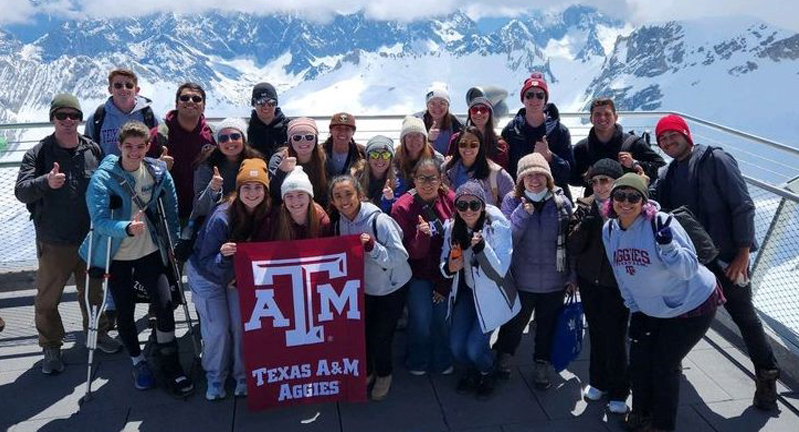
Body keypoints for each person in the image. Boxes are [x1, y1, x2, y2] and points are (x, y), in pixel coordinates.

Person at [650, 114, 780, 411]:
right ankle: (672, 363)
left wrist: (744, 252)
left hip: (727, 259)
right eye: (663, 140)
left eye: (672, 135)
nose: (669, 143)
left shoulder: (716, 160)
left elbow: (742, 205)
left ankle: (767, 374)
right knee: (678, 315)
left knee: (744, 317)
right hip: (693, 262)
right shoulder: (668, 174)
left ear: (686, 134)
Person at [80, 121, 193, 396]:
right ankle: (137, 360)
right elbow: (99, 220)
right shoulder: (103, 178)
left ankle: (169, 360)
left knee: (164, 304)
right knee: (125, 311)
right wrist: (126, 228)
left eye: (140, 146)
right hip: (116, 254)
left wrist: (173, 242)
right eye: (128, 146)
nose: (134, 151)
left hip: (149, 251)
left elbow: (170, 205)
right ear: (119, 146)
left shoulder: (156, 172)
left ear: (147, 147)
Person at [603, 173, 722, 432]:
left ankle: (662, 425)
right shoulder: (610, 230)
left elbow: (689, 269)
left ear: (643, 201)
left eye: (633, 197)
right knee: (639, 361)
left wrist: (668, 248)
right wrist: (634, 309)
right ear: (611, 200)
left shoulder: (662, 223)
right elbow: (620, 273)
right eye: (619, 196)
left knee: (664, 366)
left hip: (692, 304)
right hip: (651, 308)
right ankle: (641, 413)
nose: (625, 202)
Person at [15, 93, 121, 374]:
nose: (68, 121)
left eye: (74, 116)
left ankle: (97, 334)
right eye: (62, 115)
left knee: (93, 293)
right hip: (54, 240)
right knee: (48, 298)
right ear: (53, 119)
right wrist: (45, 182)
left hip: (91, 236)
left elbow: (108, 182)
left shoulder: (92, 149)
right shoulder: (38, 153)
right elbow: (21, 191)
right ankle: (51, 345)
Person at [187, 158, 272, 400]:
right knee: (218, 330)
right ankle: (215, 377)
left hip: (237, 277)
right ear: (238, 189)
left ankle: (242, 375)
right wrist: (224, 260)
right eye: (247, 187)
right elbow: (205, 260)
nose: (252, 193)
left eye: (258, 187)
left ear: (265, 191)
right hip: (208, 276)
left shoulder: (267, 213)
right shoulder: (222, 216)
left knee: (242, 325)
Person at [492, 153, 574, 389]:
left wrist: (572, 276)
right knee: (514, 324)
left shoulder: (562, 203)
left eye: (540, 174)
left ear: (548, 177)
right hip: (521, 279)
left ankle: (541, 363)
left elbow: (571, 244)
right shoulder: (511, 201)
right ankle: (505, 356)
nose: (535, 179)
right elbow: (508, 239)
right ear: (521, 179)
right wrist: (523, 213)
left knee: (547, 326)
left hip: (554, 281)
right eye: (529, 175)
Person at [328, 175, 412, 400]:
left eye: (348, 194)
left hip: (391, 287)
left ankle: (384, 374)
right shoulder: (339, 224)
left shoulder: (379, 221)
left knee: (380, 336)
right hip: (364, 287)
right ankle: (368, 371)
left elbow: (400, 256)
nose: (344, 200)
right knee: (361, 332)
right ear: (333, 202)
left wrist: (373, 248)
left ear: (359, 195)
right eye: (338, 196)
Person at [440, 181, 520, 399]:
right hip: (467, 292)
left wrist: (482, 248)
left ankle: (487, 371)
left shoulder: (497, 227)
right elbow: (444, 262)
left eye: (474, 205)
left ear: (482, 206)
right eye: (462, 205)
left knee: (475, 348)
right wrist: (448, 267)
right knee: (456, 347)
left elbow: (500, 271)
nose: (468, 211)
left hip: (492, 295)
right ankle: (473, 370)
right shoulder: (452, 228)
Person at [567, 158, 629, 414]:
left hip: (617, 284)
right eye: (595, 181)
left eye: (605, 180)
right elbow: (572, 245)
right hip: (590, 281)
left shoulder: (627, 206)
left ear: (616, 182)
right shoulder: (584, 206)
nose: (600, 186)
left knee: (615, 337)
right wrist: (586, 223)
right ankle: (598, 381)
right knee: (596, 332)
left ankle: (619, 390)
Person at [391, 158, 456, 375]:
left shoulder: (450, 201)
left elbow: (458, 241)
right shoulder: (402, 207)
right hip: (416, 273)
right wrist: (422, 236)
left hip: (445, 271)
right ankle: (417, 359)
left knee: (441, 317)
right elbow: (408, 253)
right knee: (421, 317)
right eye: (422, 178)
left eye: (432, 179)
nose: (427, 184)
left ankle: (442, 358)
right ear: (413, 179)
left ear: (440, 180)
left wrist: (445, 280)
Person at [148, 82, 216, 221]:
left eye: (196, 99)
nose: (190, 101)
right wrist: (157, 166)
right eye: (185, 98)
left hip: (204, 213)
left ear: (203, 106)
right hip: (166, 214)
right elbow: (138, 170)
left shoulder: (213, 136)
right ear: (176, 104)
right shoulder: (157, 135)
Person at [570, 98, 664, 196]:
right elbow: (570, 177)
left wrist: (635, 164)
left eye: (607, 114)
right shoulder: (582, 148)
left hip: (628, 204)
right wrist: (585, 179)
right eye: (597, 114)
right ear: (591, 119)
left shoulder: (633, 143)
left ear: (615, 117)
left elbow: (661, 167)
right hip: (594, 205)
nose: (602, 118)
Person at [502, 72, 574, 200]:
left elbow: (569, 173)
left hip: (553, 198)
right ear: (523, 99)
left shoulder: (560, 131)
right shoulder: (511, 130)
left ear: (545, 100)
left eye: (540, 95)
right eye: (529, 95)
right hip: (521, 197)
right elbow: (506, 168)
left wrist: (550, 157)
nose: (534, 100)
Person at [192, 118, 261, 221]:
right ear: (218, 143)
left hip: (250, 218)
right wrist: (213, 190)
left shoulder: (256, 162)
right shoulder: (207, 164)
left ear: (243, 139)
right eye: (223, 138)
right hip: (215, 221)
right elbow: (200, 209)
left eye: (235, 136)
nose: (229, 141)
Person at [84, 68, 159, 157]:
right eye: (118, 85)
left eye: (129, 85)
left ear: (137, 90)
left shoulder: (150, 116)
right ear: (110, 89)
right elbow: (88, 151)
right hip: (107, 170)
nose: (124, 89)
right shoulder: (97, 117)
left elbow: (161, 146)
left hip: (142, 170)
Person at [441, 126, 514, 206]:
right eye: (463, 144)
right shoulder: (445, 169)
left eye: (473, 145)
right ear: (457, 146)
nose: (468, 148)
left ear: (480, 146)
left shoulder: (496, 173)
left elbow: (512, 202)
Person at [268, 117, 329, 207]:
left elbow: (325, 193)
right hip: (286, 210)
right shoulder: (279, 159)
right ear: (290, 140)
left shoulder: (323, 158)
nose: (303, 141)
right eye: (297, 137)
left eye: (309, 137)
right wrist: (281, 172)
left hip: (315, 211)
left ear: (316, 139)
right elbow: (272, 194)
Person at [263, 166, 330, 241]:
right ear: (283, 200)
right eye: (289, 196)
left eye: (300, 195)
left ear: (309, 198)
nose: (295, 201)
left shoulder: (322, 220)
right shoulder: (274, 220)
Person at [445, 96, 509, 169]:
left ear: (490, 114)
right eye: (474, 110)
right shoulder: (457, 139)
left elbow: (502, 173)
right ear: (470, 114)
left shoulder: (499, 145)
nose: (478, 113)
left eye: (483, 109)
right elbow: (449, 166)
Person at [352, 135, 408, 213]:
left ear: (391, 159)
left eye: (385, 155)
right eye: (375, 155)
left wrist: (388, 199)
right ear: (368, 158)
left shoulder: (398, 182)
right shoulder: (357, 177)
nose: (380, 159)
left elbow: (397, 213)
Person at [395, 116, 444, 189]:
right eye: (409, 136)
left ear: (424, 139)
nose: (414, 139)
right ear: (403, 140)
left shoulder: (437, 158)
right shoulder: (394, 158)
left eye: (418, 135)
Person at [417, 83, 463, 155]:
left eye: (442, 103)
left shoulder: (458, 124)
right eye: (433, 103)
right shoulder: (417, 122)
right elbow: (413, 153)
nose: (437, 107)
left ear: (448, 106)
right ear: (427, 105)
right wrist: (429, 140)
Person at [246, 82, 289, 158]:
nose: (266, 107)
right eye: (260, 102)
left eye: (271, 103)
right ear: (254, 104)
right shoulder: (247, 129)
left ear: (276, 104)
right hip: (255, 168)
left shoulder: (289, 127)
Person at [323, 112, 365, 178]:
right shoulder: (319, 152)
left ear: (353, 132)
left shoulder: (363, 153)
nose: (342, 132)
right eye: (338, 128)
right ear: (330, 130)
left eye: (347, 129)